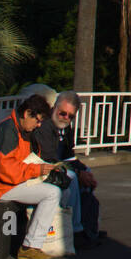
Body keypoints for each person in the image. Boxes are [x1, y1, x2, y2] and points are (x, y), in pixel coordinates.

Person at [0, 94, 63, 259]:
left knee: (57, 188)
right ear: (27, 113)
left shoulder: (20, 129)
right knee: (52, 193)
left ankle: (52, 238)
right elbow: (5, 170)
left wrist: (40, 169)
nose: (38, 125)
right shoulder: (7, 131)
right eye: (37, 120)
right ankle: (30, 246)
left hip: (9, 182)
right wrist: (36, 170)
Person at [31, 90, 105, 248]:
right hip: (40, 168)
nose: (65, 118)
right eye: (62, 113)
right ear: (55, 107)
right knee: (70, 177)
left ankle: (88, 226)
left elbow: (68, 155)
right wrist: (78, 173)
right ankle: (75, 229)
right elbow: (49, 159)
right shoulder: (44, 126)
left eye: (70, 116)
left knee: (86, 173)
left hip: (57, 166)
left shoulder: (66, 127)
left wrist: (84, 171)